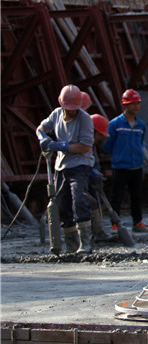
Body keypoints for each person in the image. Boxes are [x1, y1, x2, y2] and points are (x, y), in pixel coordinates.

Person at [36, 84, 94, 253]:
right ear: (62, 105)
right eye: (68, 109)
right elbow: (41, 128)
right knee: (62, 204)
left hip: (80, 165)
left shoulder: (85, 119)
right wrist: (42, 137)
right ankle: (71, 244)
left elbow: (85, 147)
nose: (72, 112)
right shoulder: (55, 114)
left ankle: (85, 243)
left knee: (79, 200)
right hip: (61, 166)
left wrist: (59, 145)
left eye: (74, 109)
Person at [102, 89, 148, 233]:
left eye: (138, 103)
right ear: (125, 105)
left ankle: (137, 222)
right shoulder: (115, 124)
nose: (136, 107)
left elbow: (141, 143)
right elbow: (107, 145)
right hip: (120, 167)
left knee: (136, 197)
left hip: (136, 167)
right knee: (117, 196)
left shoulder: (141, 126)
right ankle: (115, 223)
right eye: (133, 104)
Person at [88, 114, 110, 242]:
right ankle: (91, 234)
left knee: (98, 202)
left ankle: (97, 232)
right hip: (83, 180)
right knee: (90, 204)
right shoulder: (83, 145)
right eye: (99, 134)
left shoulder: (92, 145)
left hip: (91, 180)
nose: (101, 137)